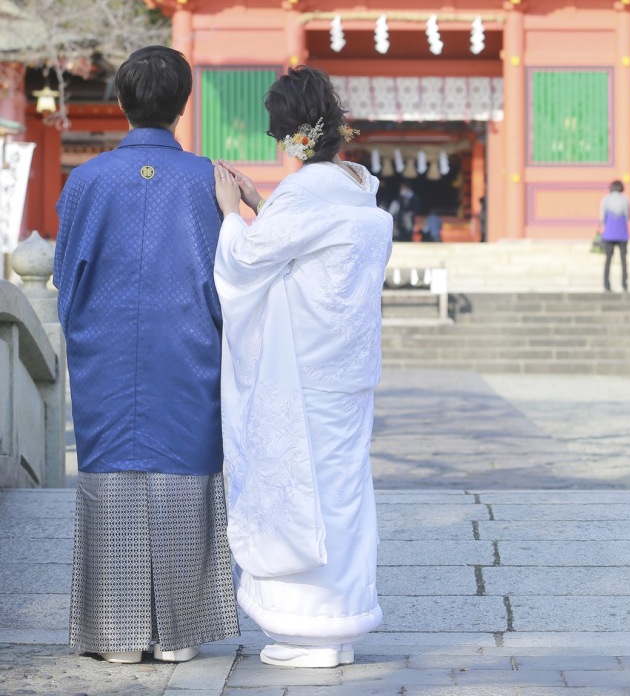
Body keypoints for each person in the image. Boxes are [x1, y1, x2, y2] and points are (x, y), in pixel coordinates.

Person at [54, 46, 239, 665]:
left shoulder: (87, 180)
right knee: (184, 479)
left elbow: (67, 279)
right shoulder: (210, 180)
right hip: (189, 348)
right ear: (184, 105)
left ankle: (116, 635)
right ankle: (179, 633)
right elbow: (236, 271)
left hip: (106, 351)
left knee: (111, 481)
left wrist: (88, 331)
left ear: (121, 103)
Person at [213, 66, 393, 670]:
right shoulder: (358, 186)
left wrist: (232, 214)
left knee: (300, 493)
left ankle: (307, 631)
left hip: (305, 376)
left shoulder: (302, 193)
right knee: (343, 495)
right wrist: (264, 204)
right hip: (350, 372)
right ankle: (339, 627)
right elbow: (315, 246)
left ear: (292, 134)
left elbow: (246, 261)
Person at [599, 179, 630, 292]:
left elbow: (602, 218)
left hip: (609, 233)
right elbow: (628, 216)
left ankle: (606, 285)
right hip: (622, 233)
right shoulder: (625, 200)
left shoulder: (606, 199)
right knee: (623, 260)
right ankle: (624, 285)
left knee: (608, 260)